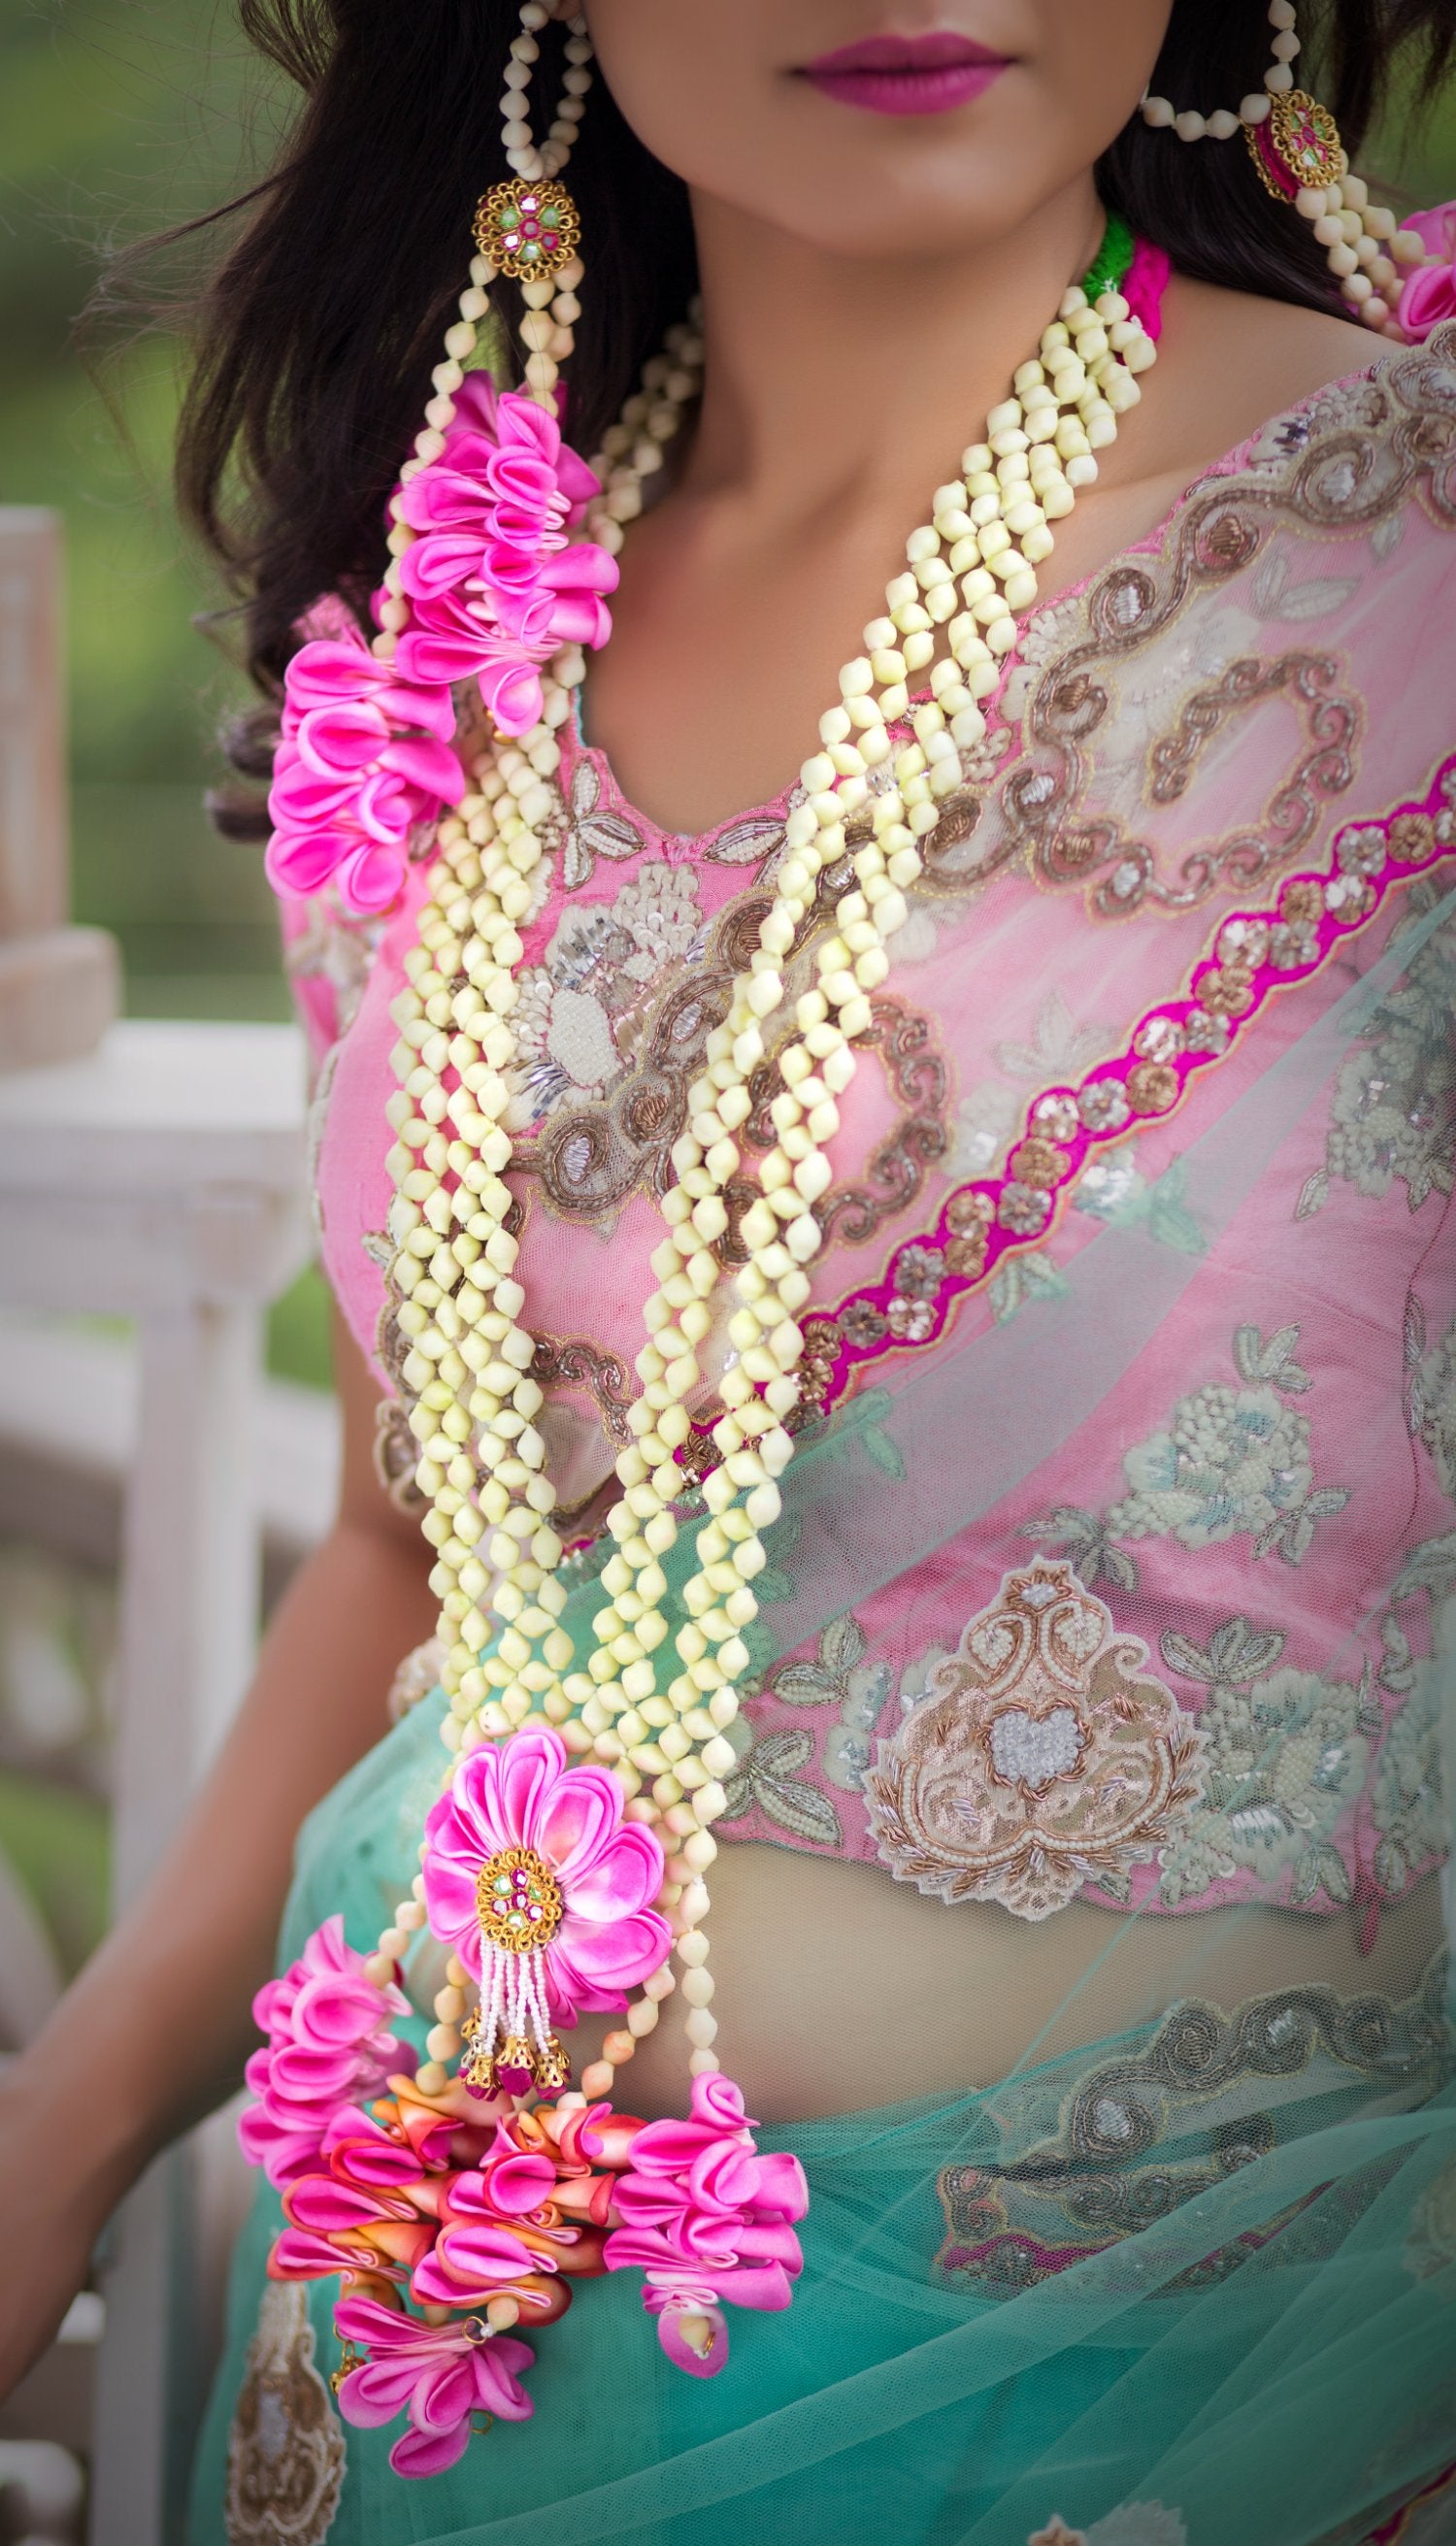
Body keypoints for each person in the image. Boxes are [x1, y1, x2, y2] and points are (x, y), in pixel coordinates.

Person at [5, 2, 1456, 2538]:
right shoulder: (443, 643)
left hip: (1223, 2385)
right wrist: (66, 2131)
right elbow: (418, 1535)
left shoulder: (1415, 552)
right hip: (430, 2325)